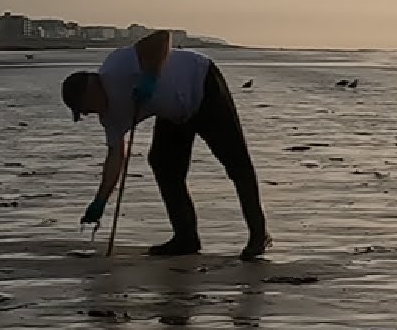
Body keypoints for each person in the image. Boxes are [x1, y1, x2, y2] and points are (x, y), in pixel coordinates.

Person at [61, 30, 271, 260]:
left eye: (85, 108)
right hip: (173, 114)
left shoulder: (117, 66)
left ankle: (258, 235)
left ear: (90, 89)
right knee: (163, 164)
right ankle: (186, 238)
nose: (88, 114)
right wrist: (99, 201)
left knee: (236, 163)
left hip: (202, 84)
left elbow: (162, 37)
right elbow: (115, 157)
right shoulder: (110, 117)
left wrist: (150, 76)